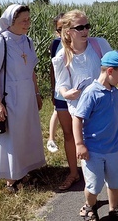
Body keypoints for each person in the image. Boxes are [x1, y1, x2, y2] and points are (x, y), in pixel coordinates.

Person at [52, 9, 118, 192]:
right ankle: (92, 189)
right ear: (68, 31)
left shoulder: (98, 45)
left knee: (106, 141)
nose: (85, 31)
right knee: (88, 148)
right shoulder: (62, 57)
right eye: (79, 27)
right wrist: (67, 94)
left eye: (87, 26)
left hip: (103, 105)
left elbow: (115, 67)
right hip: (81, 109)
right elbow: (61, 85)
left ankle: (110, 179)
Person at [0, 4, 46, 192]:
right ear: (11, 21)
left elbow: (32, 71)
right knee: (12, 137)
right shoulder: (0, 41)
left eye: (29, 19)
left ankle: (24, 170)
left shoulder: (28, 41)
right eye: (23, 20)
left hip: (26, 94)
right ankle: (11, 179)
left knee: (26, 133)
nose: (28, 23)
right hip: (9, 96)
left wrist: (36, 93)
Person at [72, 50, 118, 221]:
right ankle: (89, 206)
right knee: (94, 186)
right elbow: (78, 119)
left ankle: (114, 210)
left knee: (115, 184)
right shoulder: (91, 93)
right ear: (110, 71)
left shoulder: (115, 93)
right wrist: (79, 144)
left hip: (113, 148)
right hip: (93, 150)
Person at [47, 13, 65, 153]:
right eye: (60, 29)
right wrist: (53, 90)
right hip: (61, 89)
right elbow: (52, 68)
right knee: (56, 112)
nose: (64, 32)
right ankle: (51, 138)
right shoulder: (55, 44)